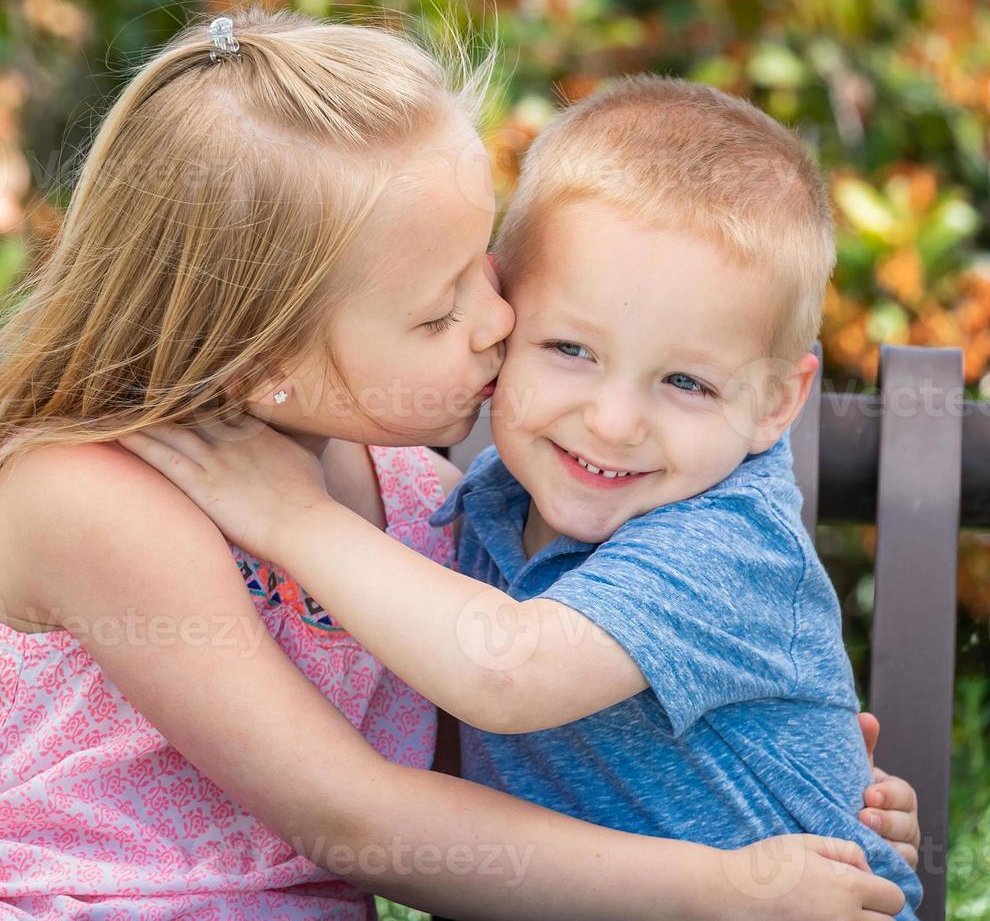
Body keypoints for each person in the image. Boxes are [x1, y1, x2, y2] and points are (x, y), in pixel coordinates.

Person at [0, 8, 912, 920]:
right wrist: (721, 885)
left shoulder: (419, 503)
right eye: (441, 308)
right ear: (266, 365)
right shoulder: (98, 497)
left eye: (486, 265)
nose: (499, 321)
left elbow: (495, 764)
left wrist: (778, 782)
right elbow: (357, 817)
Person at [117, 76, 922, 918]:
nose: (612, 423)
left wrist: (291, 513)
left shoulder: (726, 540)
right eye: (570, 348)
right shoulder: (487, 507)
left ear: (775, 404)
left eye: (685, 382)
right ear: (503, 315)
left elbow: (506, 673)